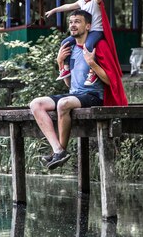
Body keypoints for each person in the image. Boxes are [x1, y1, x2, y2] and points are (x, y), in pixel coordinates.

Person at [30, 10, 110, 170]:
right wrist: (60, 62)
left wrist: (92, 63)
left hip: (93, 95)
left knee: (63, 104)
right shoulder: (70, 49)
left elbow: (110, 80)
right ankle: (58, 150)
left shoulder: (98, 47)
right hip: (74, 94)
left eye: (77, 21)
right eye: (71, 22)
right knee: (36, 104)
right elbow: (69, 83)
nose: (73, 25)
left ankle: (60, 152)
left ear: (88, 26)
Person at [45, 0, 107, 86]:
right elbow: (68, 6)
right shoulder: (81, 3)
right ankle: (66, 68)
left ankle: (92, 73)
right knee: (65, 43)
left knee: (87, 45)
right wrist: (54, 10)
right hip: (85, 31)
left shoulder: (94, 1)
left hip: (95, 31)